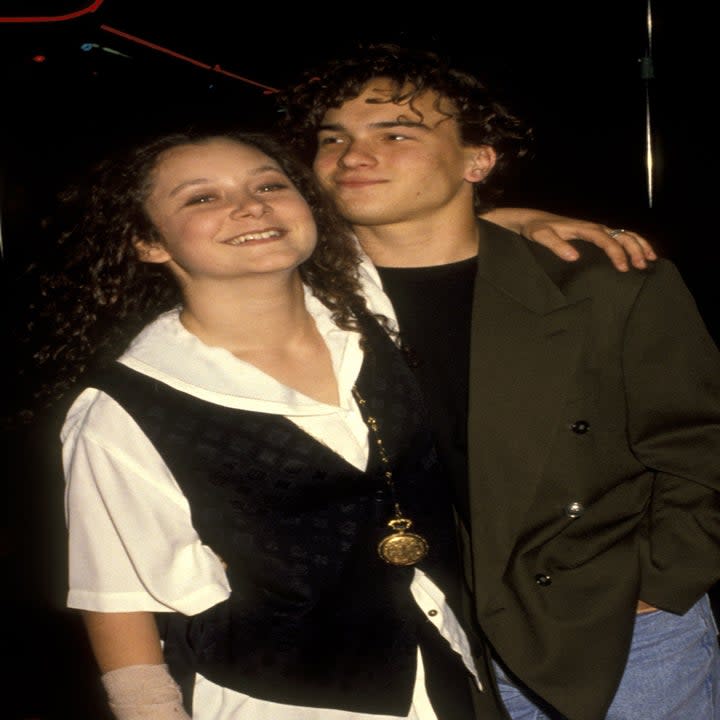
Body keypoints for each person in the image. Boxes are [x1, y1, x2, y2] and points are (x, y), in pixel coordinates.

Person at [274, 43, 720, 720]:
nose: (352, 156)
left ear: (477, 159)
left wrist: (663, 580)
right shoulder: (297, 303)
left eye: (396, 133)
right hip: (417, 637)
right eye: (334, 138)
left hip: (615, 632)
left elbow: (700, 442)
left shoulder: (603, 285)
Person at [19, 128, 498, 720]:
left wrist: (530, 223)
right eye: (202, 198)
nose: (251, 206)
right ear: (147, 241)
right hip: (281, 699)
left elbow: (444, 229)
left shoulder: (369, 305)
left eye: (271, 184)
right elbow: (117, 601)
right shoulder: (123, 409)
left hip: (449, 665)